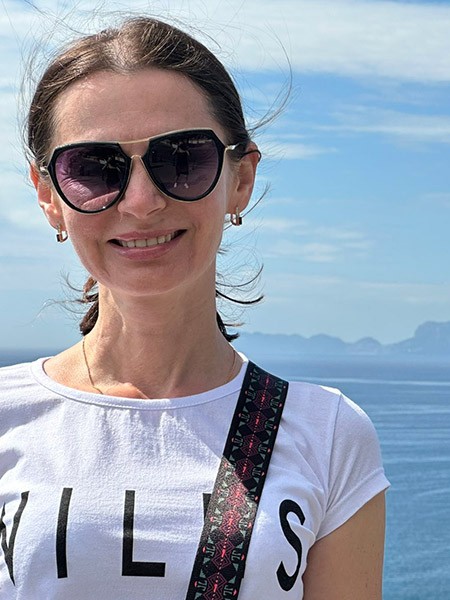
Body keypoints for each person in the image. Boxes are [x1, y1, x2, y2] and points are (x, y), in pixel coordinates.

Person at [0, 17, 389, 599]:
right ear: (47, 194)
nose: (141, 201)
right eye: (94, 168)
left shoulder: (327, 434)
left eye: (182, 160)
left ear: (241, 178)